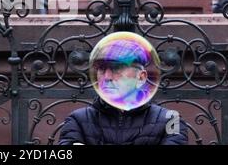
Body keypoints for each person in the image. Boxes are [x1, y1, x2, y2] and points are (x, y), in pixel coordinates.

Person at [59, 33, 188, 145]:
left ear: (141, 78)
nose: (107, 77)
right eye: (102, 69)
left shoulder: (171, 120)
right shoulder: (78, 120)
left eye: (117, 68)